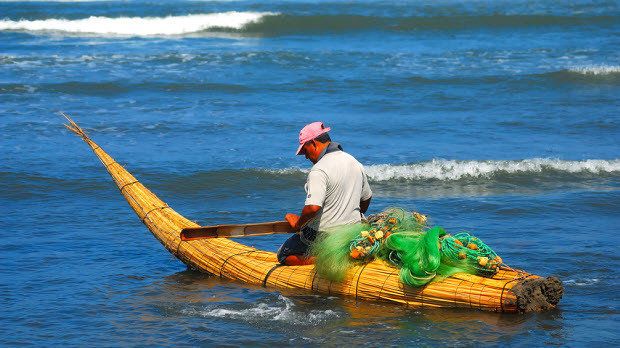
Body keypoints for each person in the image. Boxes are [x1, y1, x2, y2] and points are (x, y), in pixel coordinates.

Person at [277, 121, 373, 266]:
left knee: (283, 254)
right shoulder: (354, 162)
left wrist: (298, 223)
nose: (306, 157)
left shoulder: (319, 169)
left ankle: (325, 260)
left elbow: (313, 208)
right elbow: (366, 198)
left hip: (327, 236)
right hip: (354, 233)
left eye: (305, 150)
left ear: (313, 143)